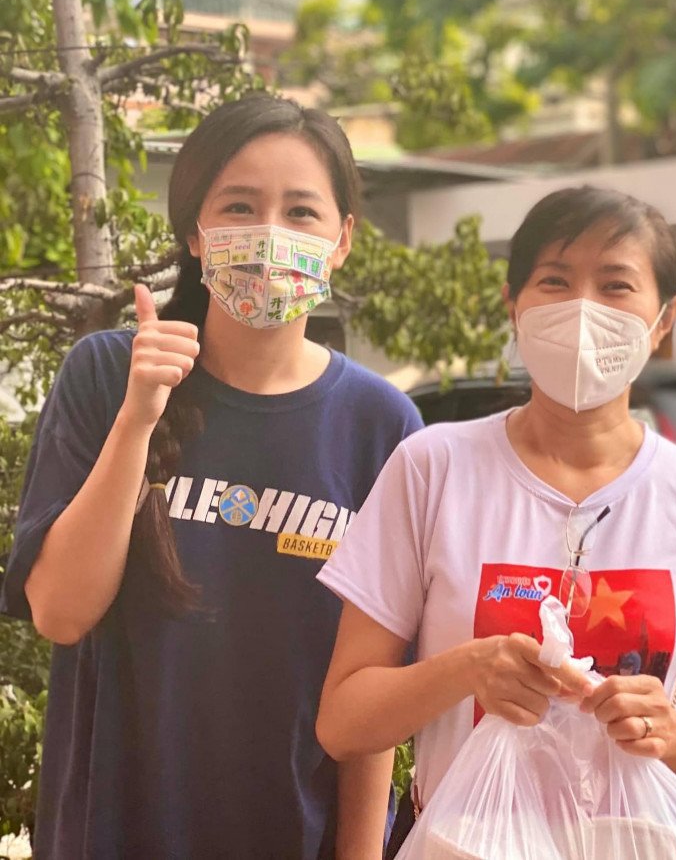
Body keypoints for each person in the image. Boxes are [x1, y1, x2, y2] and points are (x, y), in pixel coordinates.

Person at [0, 95, 423, 859]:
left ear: (342, 241)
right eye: (239, 205)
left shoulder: (383, 426)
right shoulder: (107, 374)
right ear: (196, 231)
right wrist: (137, 420)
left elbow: (369, 698)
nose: (270, 233)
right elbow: (60, 612)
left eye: (301, 211)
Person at [316, 185, 676, 844]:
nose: (583, 309)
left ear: (665, 319)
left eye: (616, 285)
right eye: (555, 280)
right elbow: (343, 720)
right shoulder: (433, 468)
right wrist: (466, 669)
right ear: (513, 306)